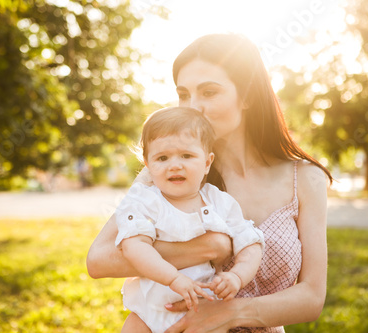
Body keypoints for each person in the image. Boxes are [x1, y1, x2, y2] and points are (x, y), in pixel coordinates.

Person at [87, 33, 332, 332]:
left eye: (209, 92)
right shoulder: (168, 175)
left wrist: (227, 313)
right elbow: (99, 260)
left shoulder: (306, 179)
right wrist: (210, 246)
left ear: (247, 96)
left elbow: (311, 297)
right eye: (183, 94)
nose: (192, 107)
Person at [116, 107, 264, 333]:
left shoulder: (219, 202)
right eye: (162, 158)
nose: (175, 165)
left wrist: (237, 276)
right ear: (148, 164)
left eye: (186, 155)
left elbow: (251, 243)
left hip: (203, 311)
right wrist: (173, 278)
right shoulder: (144, 201)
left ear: (207, 162)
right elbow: (134, 246)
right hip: (147, 314)